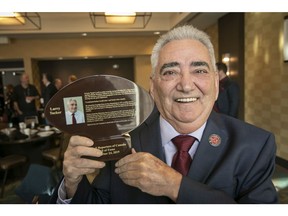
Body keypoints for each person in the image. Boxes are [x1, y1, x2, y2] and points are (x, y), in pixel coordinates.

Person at [50, 25, 278, 204]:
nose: (186, 85)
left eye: (199, 70)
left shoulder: (254, 145)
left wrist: (176, 186)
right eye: (171, 72)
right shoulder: (120, 139)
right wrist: (71, 183)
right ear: (153, 86)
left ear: (216, 84)